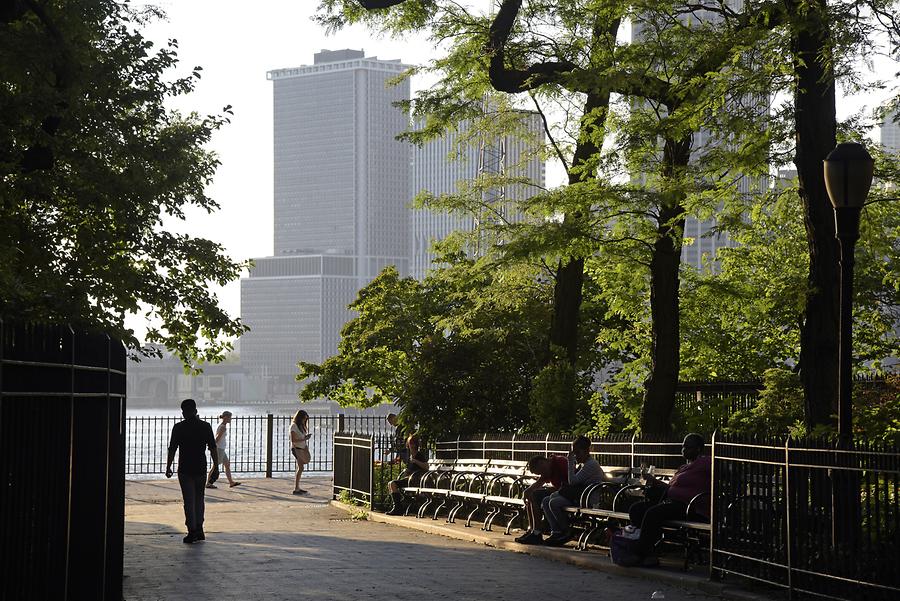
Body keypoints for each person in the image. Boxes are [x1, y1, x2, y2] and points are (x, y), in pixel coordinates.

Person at [618, 433, 712, 567]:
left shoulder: (705, 462)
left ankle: (640, 553)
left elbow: (722, 469)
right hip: (673, 503)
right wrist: (654, 481)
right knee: (637, 509)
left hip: (691, 507)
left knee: (653, 513)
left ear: (698, 449)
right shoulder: (683, 468)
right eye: (683, 446)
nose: (684, 450)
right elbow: (671, 488)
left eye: (688, 447)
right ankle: (649, 550)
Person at [165, 398, 218, 544]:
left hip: (185, 468)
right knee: (199, 499)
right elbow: (213, 447)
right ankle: (200, 529)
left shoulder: (178, 428)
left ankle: (192, 531)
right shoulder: (205, 426)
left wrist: (168, 466)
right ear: (196, 410)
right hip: (201, 467)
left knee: (189, 500)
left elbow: (172, 449)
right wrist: (216, 467)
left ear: (183, 412)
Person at [540, 435, 609, 546]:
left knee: (553, 502)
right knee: (546, 500)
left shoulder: (591, 465)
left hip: (587, 499)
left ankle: (566, 531)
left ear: (586, 451)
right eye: (574, 453)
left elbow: (572, 481)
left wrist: (570, 462)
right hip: (579, 496)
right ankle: (556, 531)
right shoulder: (584, 464)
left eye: (577, 453)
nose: (575, 456)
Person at [514, 454, 569, 544]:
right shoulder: (547, 468)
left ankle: (537, 532)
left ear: (542, 463)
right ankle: (532, 530)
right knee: (531, 494)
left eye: (541, 471)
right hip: (558, 493)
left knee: (536, 495)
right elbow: (539, 482)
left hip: (566, 493)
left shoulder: (560, 462)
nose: (542, 474)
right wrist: (527, 491)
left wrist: (555, 489)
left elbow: (570, 482)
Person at [385, 434, 428, 515]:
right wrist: (406, 471)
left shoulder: (419, 455)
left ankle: (397, 508)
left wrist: (416, 461)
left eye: (413, 443)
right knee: (390, 484)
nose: (411, 445)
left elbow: (426, 467)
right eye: (410, 443)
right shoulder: (410, 455)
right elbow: (409, 468)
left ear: (416, 444)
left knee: (392, 484)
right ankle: (398, 506)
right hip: (409, 479)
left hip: (416, 480)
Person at [206, 411, 241, 489]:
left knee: (227, 464)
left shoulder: (221, 425)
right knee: (215, 466)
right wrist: (212, 446)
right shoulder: (223, 427)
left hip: (221, 448)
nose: (231, 419)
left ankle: (231, 482)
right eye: (230, 417)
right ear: (226, 417)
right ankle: (208, 483)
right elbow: (217, 437)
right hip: (219, 449)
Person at [290, 409, 313, 495]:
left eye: (306, 419)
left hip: (302, 448)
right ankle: (296, 488)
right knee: (301, 467)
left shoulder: (300, 426)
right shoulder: (294, 426)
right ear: (300, 418)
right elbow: (293, 439)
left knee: (300, 467)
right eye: (304, 419)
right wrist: (304, 438)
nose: (305, 421)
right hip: (296, 449)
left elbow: (301, 438)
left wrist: (305, 440)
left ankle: (297, 488)